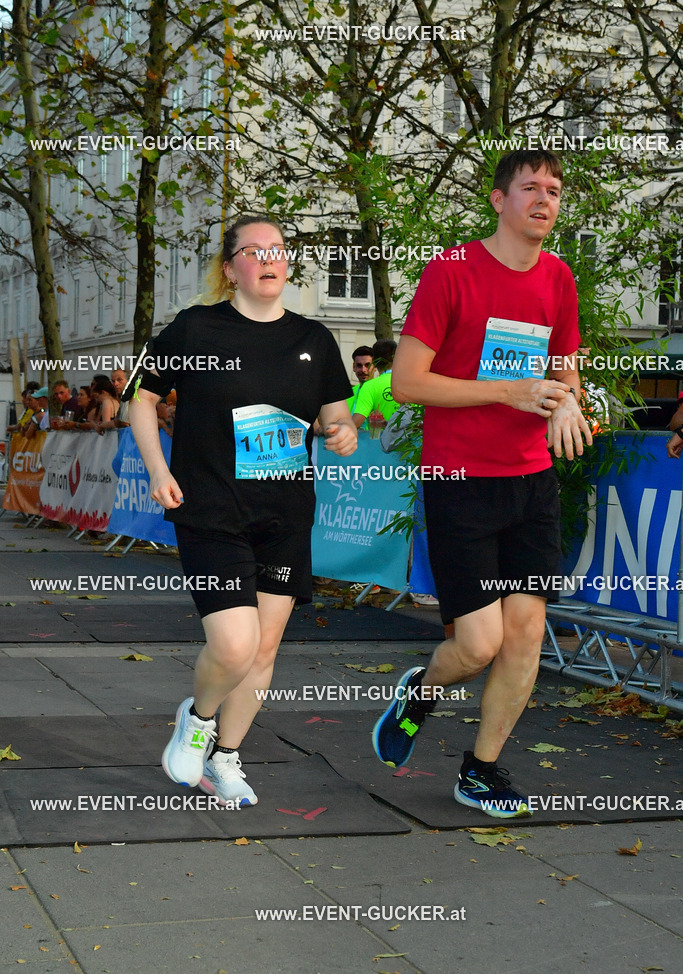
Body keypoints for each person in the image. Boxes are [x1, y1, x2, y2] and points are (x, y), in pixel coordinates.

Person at [372, 149, 593, 817]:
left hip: (530, 480)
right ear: (499, 200)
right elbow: (406, 383)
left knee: (526, 632)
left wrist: (569, 401)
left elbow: (564, 369)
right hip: (461, 479)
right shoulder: (452, 270)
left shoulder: (558, 278)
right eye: (530, 187)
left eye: (553, 190)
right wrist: (509, 390)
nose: (544, 199)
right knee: (476, 645)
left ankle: (481, 769)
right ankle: (421, 691)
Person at [127, 214, 357, 807]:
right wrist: (158, 470)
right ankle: (197, 719)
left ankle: (225, 759)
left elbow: (337, 416)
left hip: (284, 513)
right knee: (233, 644)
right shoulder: (195, 329)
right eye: (252, 251)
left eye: (277, 249)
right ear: (230, 269)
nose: (268, 259)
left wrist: (343, 433)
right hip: (211, 510)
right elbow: (142, 401)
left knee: (264, 648)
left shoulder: (314, 339)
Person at [351, 339, 400, 434]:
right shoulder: (412, 384)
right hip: (413, 446)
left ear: (375, 362)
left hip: (378, 446)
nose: (363, 370)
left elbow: (355, 423)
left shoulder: (370, 386)